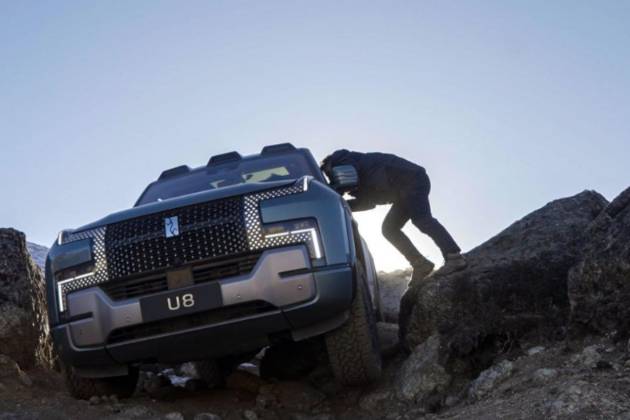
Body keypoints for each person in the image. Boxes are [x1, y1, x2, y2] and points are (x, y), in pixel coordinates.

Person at [321, 149, 466, 279]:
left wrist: (331, 193)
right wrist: (342, 205)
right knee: (389, 229)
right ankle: (421, 264)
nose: (331, 177)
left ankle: (454, 257)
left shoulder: (339, 158)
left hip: (410, 180)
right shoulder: (358, 180)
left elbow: (347, 177)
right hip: (402, 191)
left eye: (329, 174)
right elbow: (367, 203)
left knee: (422, 220)